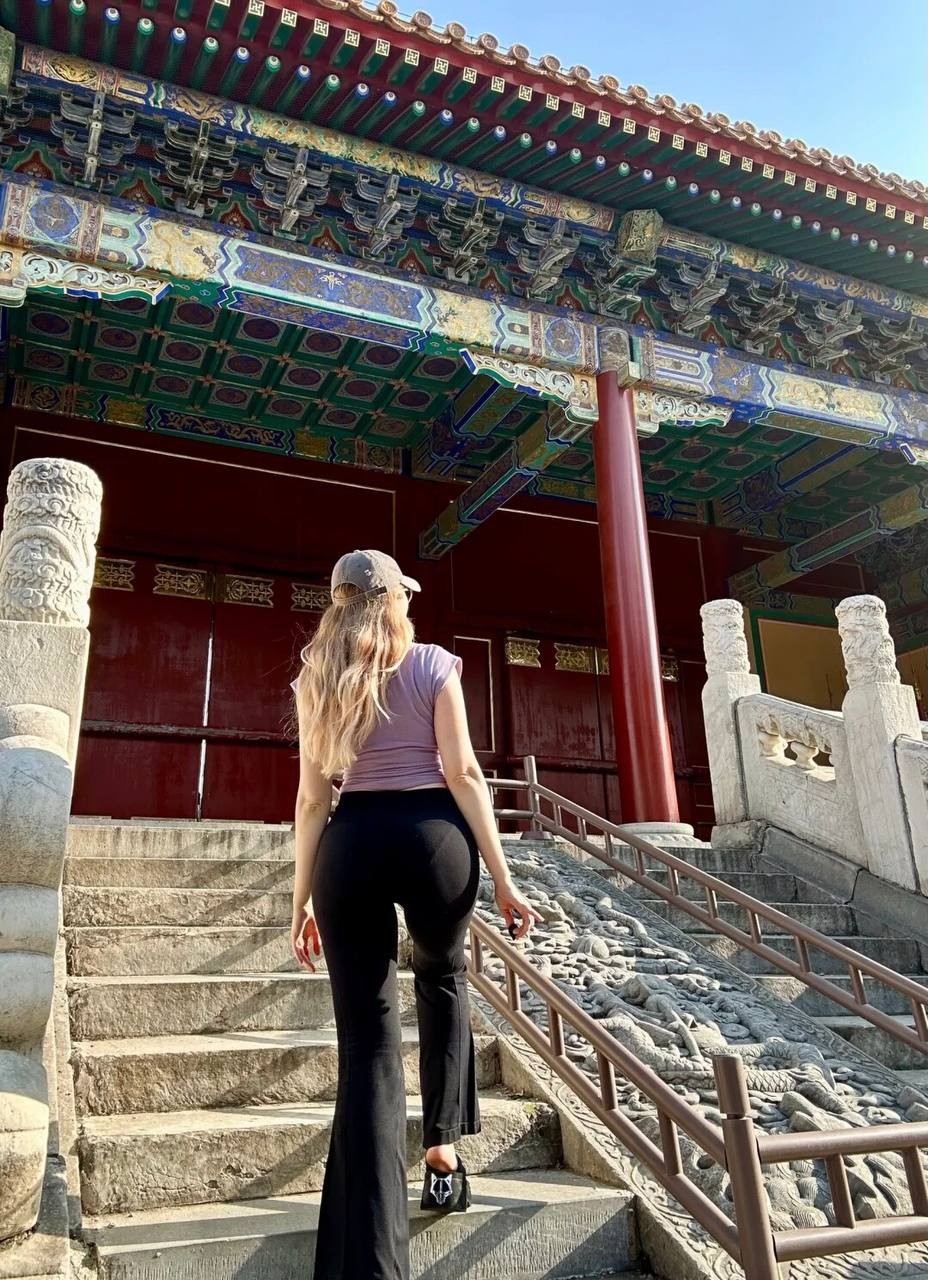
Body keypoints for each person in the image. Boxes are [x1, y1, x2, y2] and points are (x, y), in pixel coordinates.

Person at [288, 547, 542, 1280]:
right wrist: (504, 878)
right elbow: (462, 772)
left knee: (368, 1044)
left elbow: (312, 799)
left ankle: (370, 1261)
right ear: (395, 599)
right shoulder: (433, 664)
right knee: (441, 975)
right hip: (435, 840)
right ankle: (442, 1151)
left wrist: (300, 899)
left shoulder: (316, 675)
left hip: (351, 845)